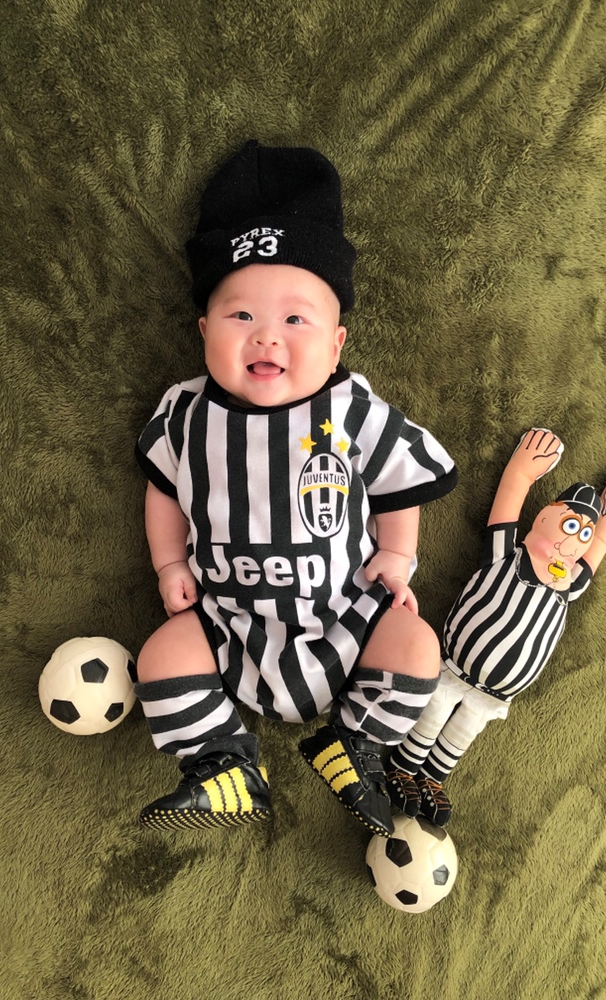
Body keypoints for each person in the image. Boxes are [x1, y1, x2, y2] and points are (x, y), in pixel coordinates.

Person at [133, 140, 458, 836]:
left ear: (336, 344)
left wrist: (397, 556)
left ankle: (354, 742)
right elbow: (163, 489)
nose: (266, 339)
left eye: (295, 320)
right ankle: (222, 763)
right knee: (161, 657)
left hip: (346, 614)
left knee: (416, 647)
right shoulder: (186, 413)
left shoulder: (352, 409)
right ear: (203, 331)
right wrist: (168, 564)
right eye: (240, 317)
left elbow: (398, 482)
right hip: (225, 619)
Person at [386, 427, 606, 826]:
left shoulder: (571, 584)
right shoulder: (507, 556)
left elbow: (600, 548)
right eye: (571, 525)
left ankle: (432, 778)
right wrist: (521, 471)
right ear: (544, 518)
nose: (576, 541)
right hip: (456, 667)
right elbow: (506, 508)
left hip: (497, 693)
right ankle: (402, 768)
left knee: (465, 730)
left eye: (585, 533)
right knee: (435, 710)